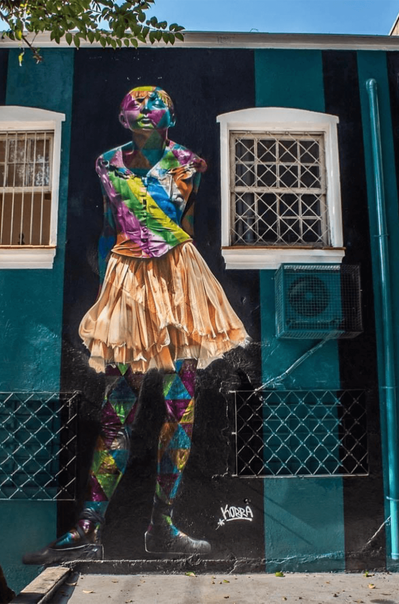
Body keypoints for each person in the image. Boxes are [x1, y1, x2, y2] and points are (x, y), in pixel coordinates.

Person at [23, 86, 249, 565]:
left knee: (180, 406)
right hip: (127, 279)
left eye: (155, 101)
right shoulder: (107, 164)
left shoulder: (189, 164)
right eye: (136, 102)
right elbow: (110, 226)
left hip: (179, 279)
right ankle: (88, 527)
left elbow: (184, 223)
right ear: (122, 116)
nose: (145, 107)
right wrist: (111, 291)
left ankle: (162, 525)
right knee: (117, 408)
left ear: (172, 115)